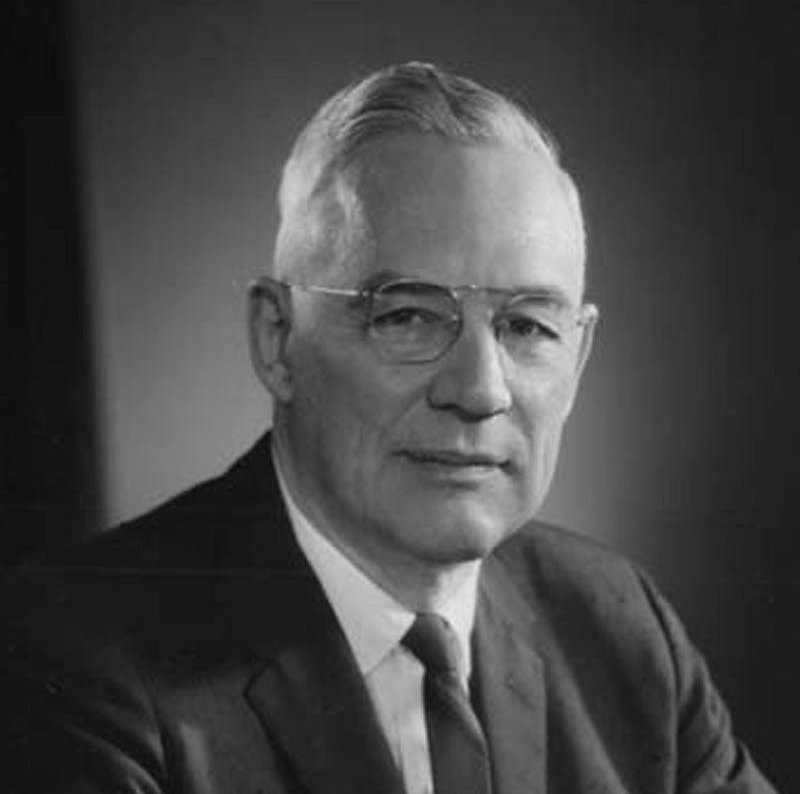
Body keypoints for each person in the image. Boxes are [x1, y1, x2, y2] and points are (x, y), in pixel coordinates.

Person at [1, 62, 777, 794]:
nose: (480, 390)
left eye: (529, 326)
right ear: (278, 340)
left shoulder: (618, 624)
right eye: (406, 315)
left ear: (579, 355)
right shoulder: (73, 661)